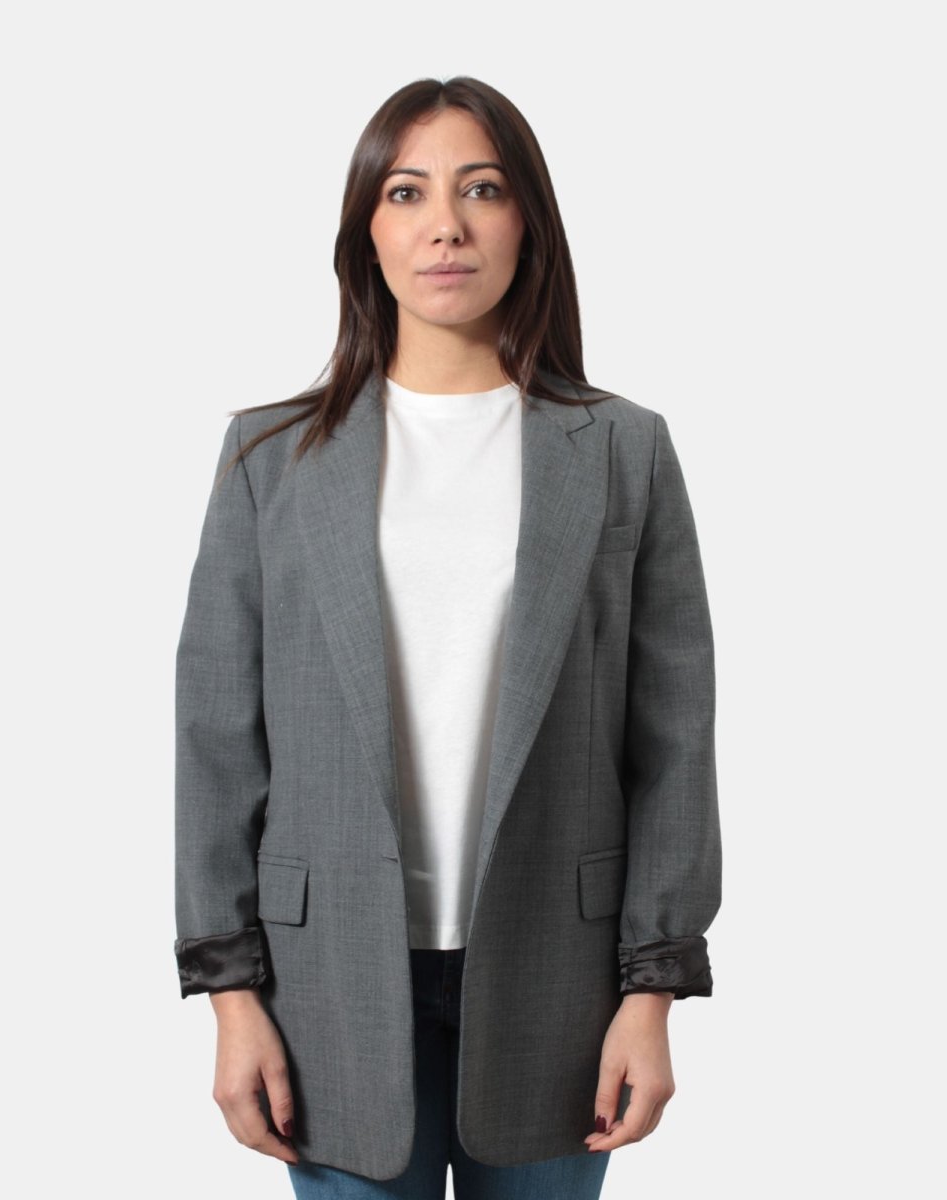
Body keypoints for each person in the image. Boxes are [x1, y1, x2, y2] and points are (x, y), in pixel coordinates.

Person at [173, 75, 722, 1200]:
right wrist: (230, 996)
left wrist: (652, 988)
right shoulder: (268, 460)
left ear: (528, 222)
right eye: (407, 192)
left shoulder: (624, 452)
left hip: (562, 985)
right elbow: (217, 738)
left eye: (482, 189)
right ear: (366, 233)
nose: (446, 225)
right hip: (323, 985)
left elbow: (673, 738)